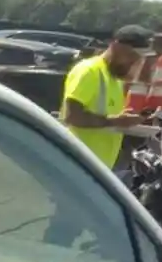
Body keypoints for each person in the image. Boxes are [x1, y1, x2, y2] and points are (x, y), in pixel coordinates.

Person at [61, 24, 155, 173]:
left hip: (97, 167)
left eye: (139, 57)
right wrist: (115, 121)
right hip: (77, 163)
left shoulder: (115, 78)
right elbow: (72, 116)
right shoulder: (89, 71)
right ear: (116, 46)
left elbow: (107, 115)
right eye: (132, 55)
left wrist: (126, 119)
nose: (135, 61)